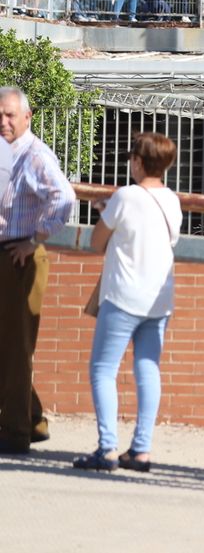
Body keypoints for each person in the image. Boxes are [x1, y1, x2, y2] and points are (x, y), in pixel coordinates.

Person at [72, 132, 181, 472]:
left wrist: (105, 212)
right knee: (147, 368)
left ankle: (107, 448)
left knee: (103, 369)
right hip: (159, 299)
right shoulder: (172, 200)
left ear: (137, 161)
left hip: (123, 295)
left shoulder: (125, 196)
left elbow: (96, 241)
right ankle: (141, 449)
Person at [0, 87, 77, 453]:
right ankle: (32, 419)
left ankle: (15, 433)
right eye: (0, 114)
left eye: (10, 115)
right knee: (9, 345)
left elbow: (64, 197)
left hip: (20, 258)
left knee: (15, 347)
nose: (4, 121)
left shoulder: (35, 155)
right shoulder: (6, 153)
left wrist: (36, 239)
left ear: (27, 117)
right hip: (9, 255)